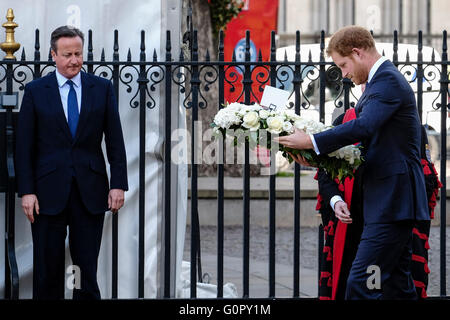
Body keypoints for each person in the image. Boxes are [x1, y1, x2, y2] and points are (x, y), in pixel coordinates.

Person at [277, 25, 430, 299]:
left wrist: (312, 141)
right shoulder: (379, 82)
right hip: (390, 203)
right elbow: (364, 147)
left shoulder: (388, 81)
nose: (344, 73)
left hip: (392, 204)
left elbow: (363, 127)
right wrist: (317, 158)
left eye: (343, 65)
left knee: (360, 283)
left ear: (357, 52)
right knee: (397, 286)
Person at [16, 26, 128, 300]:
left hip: (89, 191)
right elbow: (23, 147)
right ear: (53, 55)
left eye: (78, 53)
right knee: (48, 268)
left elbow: (115, 140)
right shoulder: (35, 91)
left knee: (84, 268)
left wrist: (118, 185)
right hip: (47, 193)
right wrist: (27, 191)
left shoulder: (101, 89)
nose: (74, 60)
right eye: (67, 55)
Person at [314, 106, 441, 300]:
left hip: (393, 223)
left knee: (391, 288)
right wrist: (336, 200)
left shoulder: (408, 124)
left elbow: (425, 175)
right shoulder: (344, 120)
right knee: (355, 285)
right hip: (351, 226)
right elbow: (325, 170)